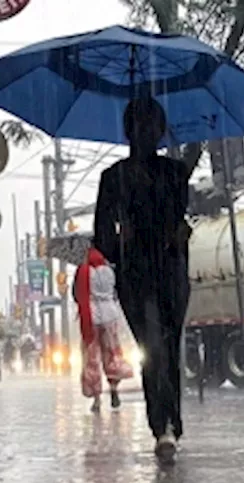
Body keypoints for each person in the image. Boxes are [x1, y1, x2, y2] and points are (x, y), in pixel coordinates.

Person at [94, 97, 191, 461]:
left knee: (169, 346)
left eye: (152, 126)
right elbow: (101, 237)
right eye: (139, 126)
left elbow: (182, 215)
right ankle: (161, 425)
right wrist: (122, 242)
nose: (146, 134)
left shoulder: (176, 173)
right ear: (128, 131)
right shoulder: (113, 178)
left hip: (172, 269)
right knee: (152, 347)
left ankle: (171, 421)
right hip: (136, 274)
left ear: (161, 130)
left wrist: (180, 232)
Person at [75, 246, 133, 412]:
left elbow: (77, 294)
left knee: (91, 359)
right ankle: (114, 388)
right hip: (110, 316)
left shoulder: (84, 271)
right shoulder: (109, 271)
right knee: (113, 355)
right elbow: (116, 292)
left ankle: (97, 399)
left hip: (91, 318)